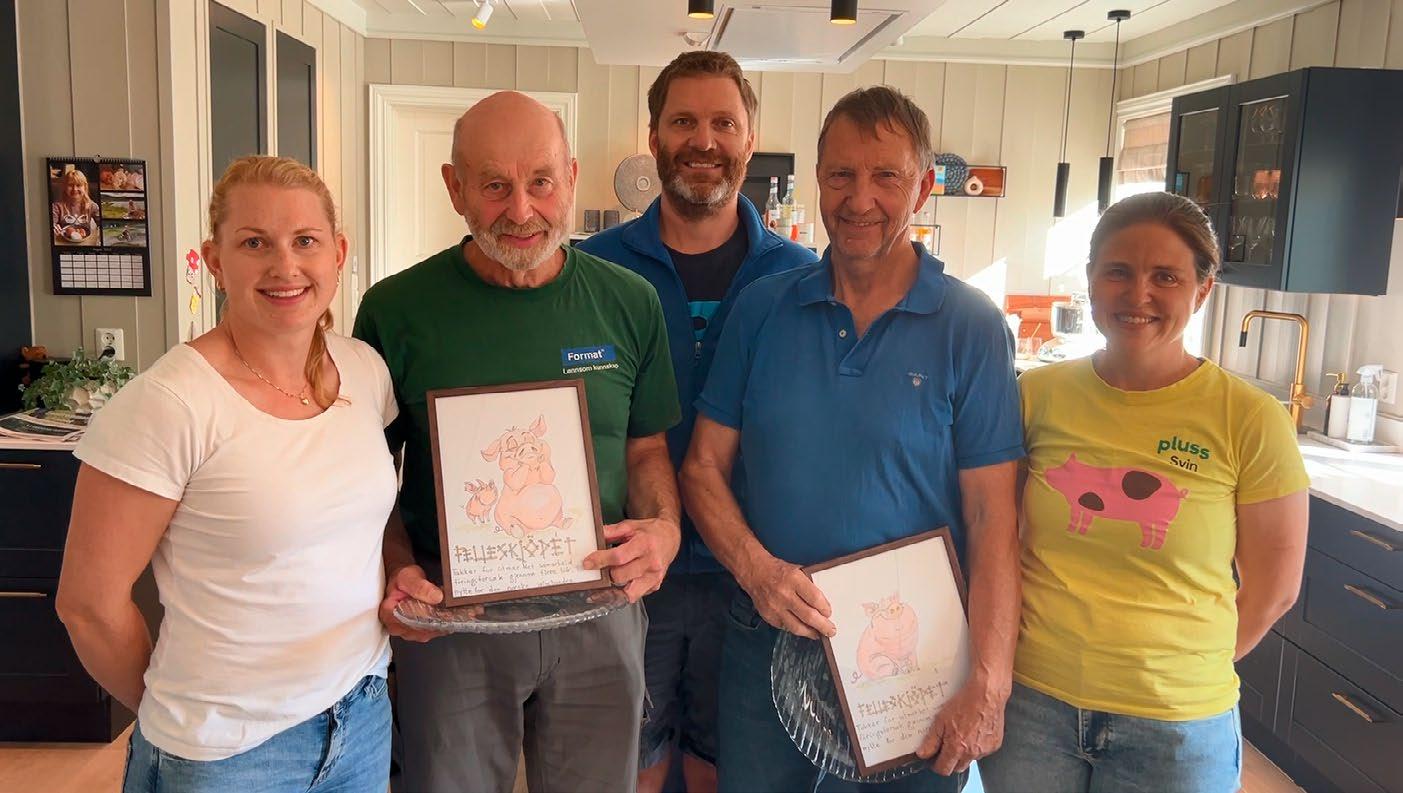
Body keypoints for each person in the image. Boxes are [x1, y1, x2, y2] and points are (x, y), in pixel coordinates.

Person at [681, 85, 1024, 792]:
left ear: (922, 188)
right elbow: (701, 468)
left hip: (915, 658)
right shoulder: (761, 309)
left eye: (885, 176)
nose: (859, 198)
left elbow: (994, 519)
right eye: (841, 174)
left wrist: (990, 681)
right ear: (817, 179)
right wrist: (756, 570)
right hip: (767, 638)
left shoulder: (971, 327)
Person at [352, 90, 683, 793]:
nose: (522, 210)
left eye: (541, 181)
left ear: (571, 177)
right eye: (495, 186)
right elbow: (365, 475)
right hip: (452, 618)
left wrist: (664, 527)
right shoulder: (395, 310)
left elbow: (646, 447)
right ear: (455, 188)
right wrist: (397, 566)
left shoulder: (629, 302)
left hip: (598, 605)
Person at [57, 155, 398, 792]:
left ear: (339, 253)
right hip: (227, 756)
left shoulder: (364, 371)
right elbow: (88, 606)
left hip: (360, 715)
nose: (285, 266)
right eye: (254, 243)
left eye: (305, 241)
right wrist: (179, 716)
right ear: (215, 261)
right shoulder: (168, 403)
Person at [979, 192, 1310, 793]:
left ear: (1202, 290)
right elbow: (996, 535)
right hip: (1032, 709)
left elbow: (1275, 590)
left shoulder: (1249, 419)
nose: (1138, 295)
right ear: (1090, 281)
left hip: (1175, 729)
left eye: (1165, 276)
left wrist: (1180, 671)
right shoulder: (1036, 396)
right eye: (1118, 272)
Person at [577, 50, 816, 793]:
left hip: (752, 573)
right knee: (628, 757)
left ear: (750, 139)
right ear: (653, 137)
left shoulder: (802, 277)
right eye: (683, 121)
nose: (703, 140)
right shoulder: (592, 271)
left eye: (723, 123)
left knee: (728, 760)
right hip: (625, 565)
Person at [51, 168, 99, 245]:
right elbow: (51, 223)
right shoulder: (56, 207)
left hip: (85, 244)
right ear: (64, 187)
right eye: (70, 185)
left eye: (78, 185)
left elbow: (103, 223)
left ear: (85, 187)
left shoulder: (92, 206)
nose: (74, 189)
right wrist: (53, 227)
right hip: (63, 243)